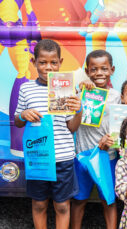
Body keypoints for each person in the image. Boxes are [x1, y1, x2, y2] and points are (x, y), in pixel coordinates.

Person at [14, 39, 82, 229]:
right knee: (39, 203)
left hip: (63, 159)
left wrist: (79, 111)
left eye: (53, 62)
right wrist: (23, 114)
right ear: (33, 62)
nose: (48, 67)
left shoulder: (68, 89)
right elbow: (18, 122)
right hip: (38, 158)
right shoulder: (25, 88)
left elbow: (73, 128)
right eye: (42, 62)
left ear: (60, 63)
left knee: (61, 205)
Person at [71, 50, 121, 229]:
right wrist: (80, 90)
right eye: (94, 69)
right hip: (82, 155)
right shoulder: (80, 92)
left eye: (104, 68)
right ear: (87, 71)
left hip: (107, 157)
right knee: (78, 200)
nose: (99, 73)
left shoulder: (117, 96)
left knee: (108, 200)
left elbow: (120, 126)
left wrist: (112, 139)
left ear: (112, 70)